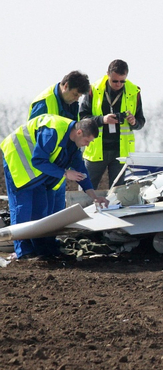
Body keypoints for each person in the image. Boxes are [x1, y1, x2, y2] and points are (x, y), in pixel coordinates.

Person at [1, 115, 109, 260]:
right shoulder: (53, 132)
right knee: (23, 209)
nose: (87, 145)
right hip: (18, 160)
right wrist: (65, 173)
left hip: (37, 172)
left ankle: (41, 250)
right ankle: (24, 253)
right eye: (87, 141)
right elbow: (38, 160)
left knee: (41, 209)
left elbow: (81, 170)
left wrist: (94, 197)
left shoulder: (74, 144)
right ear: (79, 133)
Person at [28, 70, 91, 255]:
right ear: (65, 86)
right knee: (41, 209)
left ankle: (50, 244)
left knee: (56, 208)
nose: (76, 98)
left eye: (79, 95)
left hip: (59, 164)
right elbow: (35, 137)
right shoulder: (44, 102)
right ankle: (36, 248)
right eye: (75, 94)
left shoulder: (71, 104)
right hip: (43, 164)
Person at [79, 59, 146, 189]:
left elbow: (141, 122)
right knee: (85, 190)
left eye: (122, 81)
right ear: (107, 74)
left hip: (121, 153)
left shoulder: (134, 92)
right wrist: (102, 120)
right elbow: (82, 118)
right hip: (96, 149)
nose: (118, 84)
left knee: (119, 193)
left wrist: (134, 122)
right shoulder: (93, 90)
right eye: (115, 81)